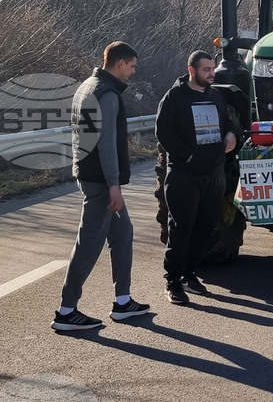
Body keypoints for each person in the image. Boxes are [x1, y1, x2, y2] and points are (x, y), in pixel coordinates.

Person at [52, 41, 149, 331]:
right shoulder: (107, 94)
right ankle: (66, 311)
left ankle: (123, 302)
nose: (132, 72)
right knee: (88, 244)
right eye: (131, 66)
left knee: (123, 233)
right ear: (120, 63)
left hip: (90, 174)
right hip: (101, 181)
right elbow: (106, 145)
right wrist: (113, 186)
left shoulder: (87, 86)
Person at [155, 50, 237, 305]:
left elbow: (226, 122)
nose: (211, 73)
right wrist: (188, 157)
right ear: (192, 71)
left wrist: (232, 134)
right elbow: (163, 132)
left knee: (205, 227)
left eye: (212, 69)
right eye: (206, 70)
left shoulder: (215, 96)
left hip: (213, 174)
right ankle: (173, 281)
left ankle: (190, 273)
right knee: (181, 228)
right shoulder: (175, 97)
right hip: (184, 175)